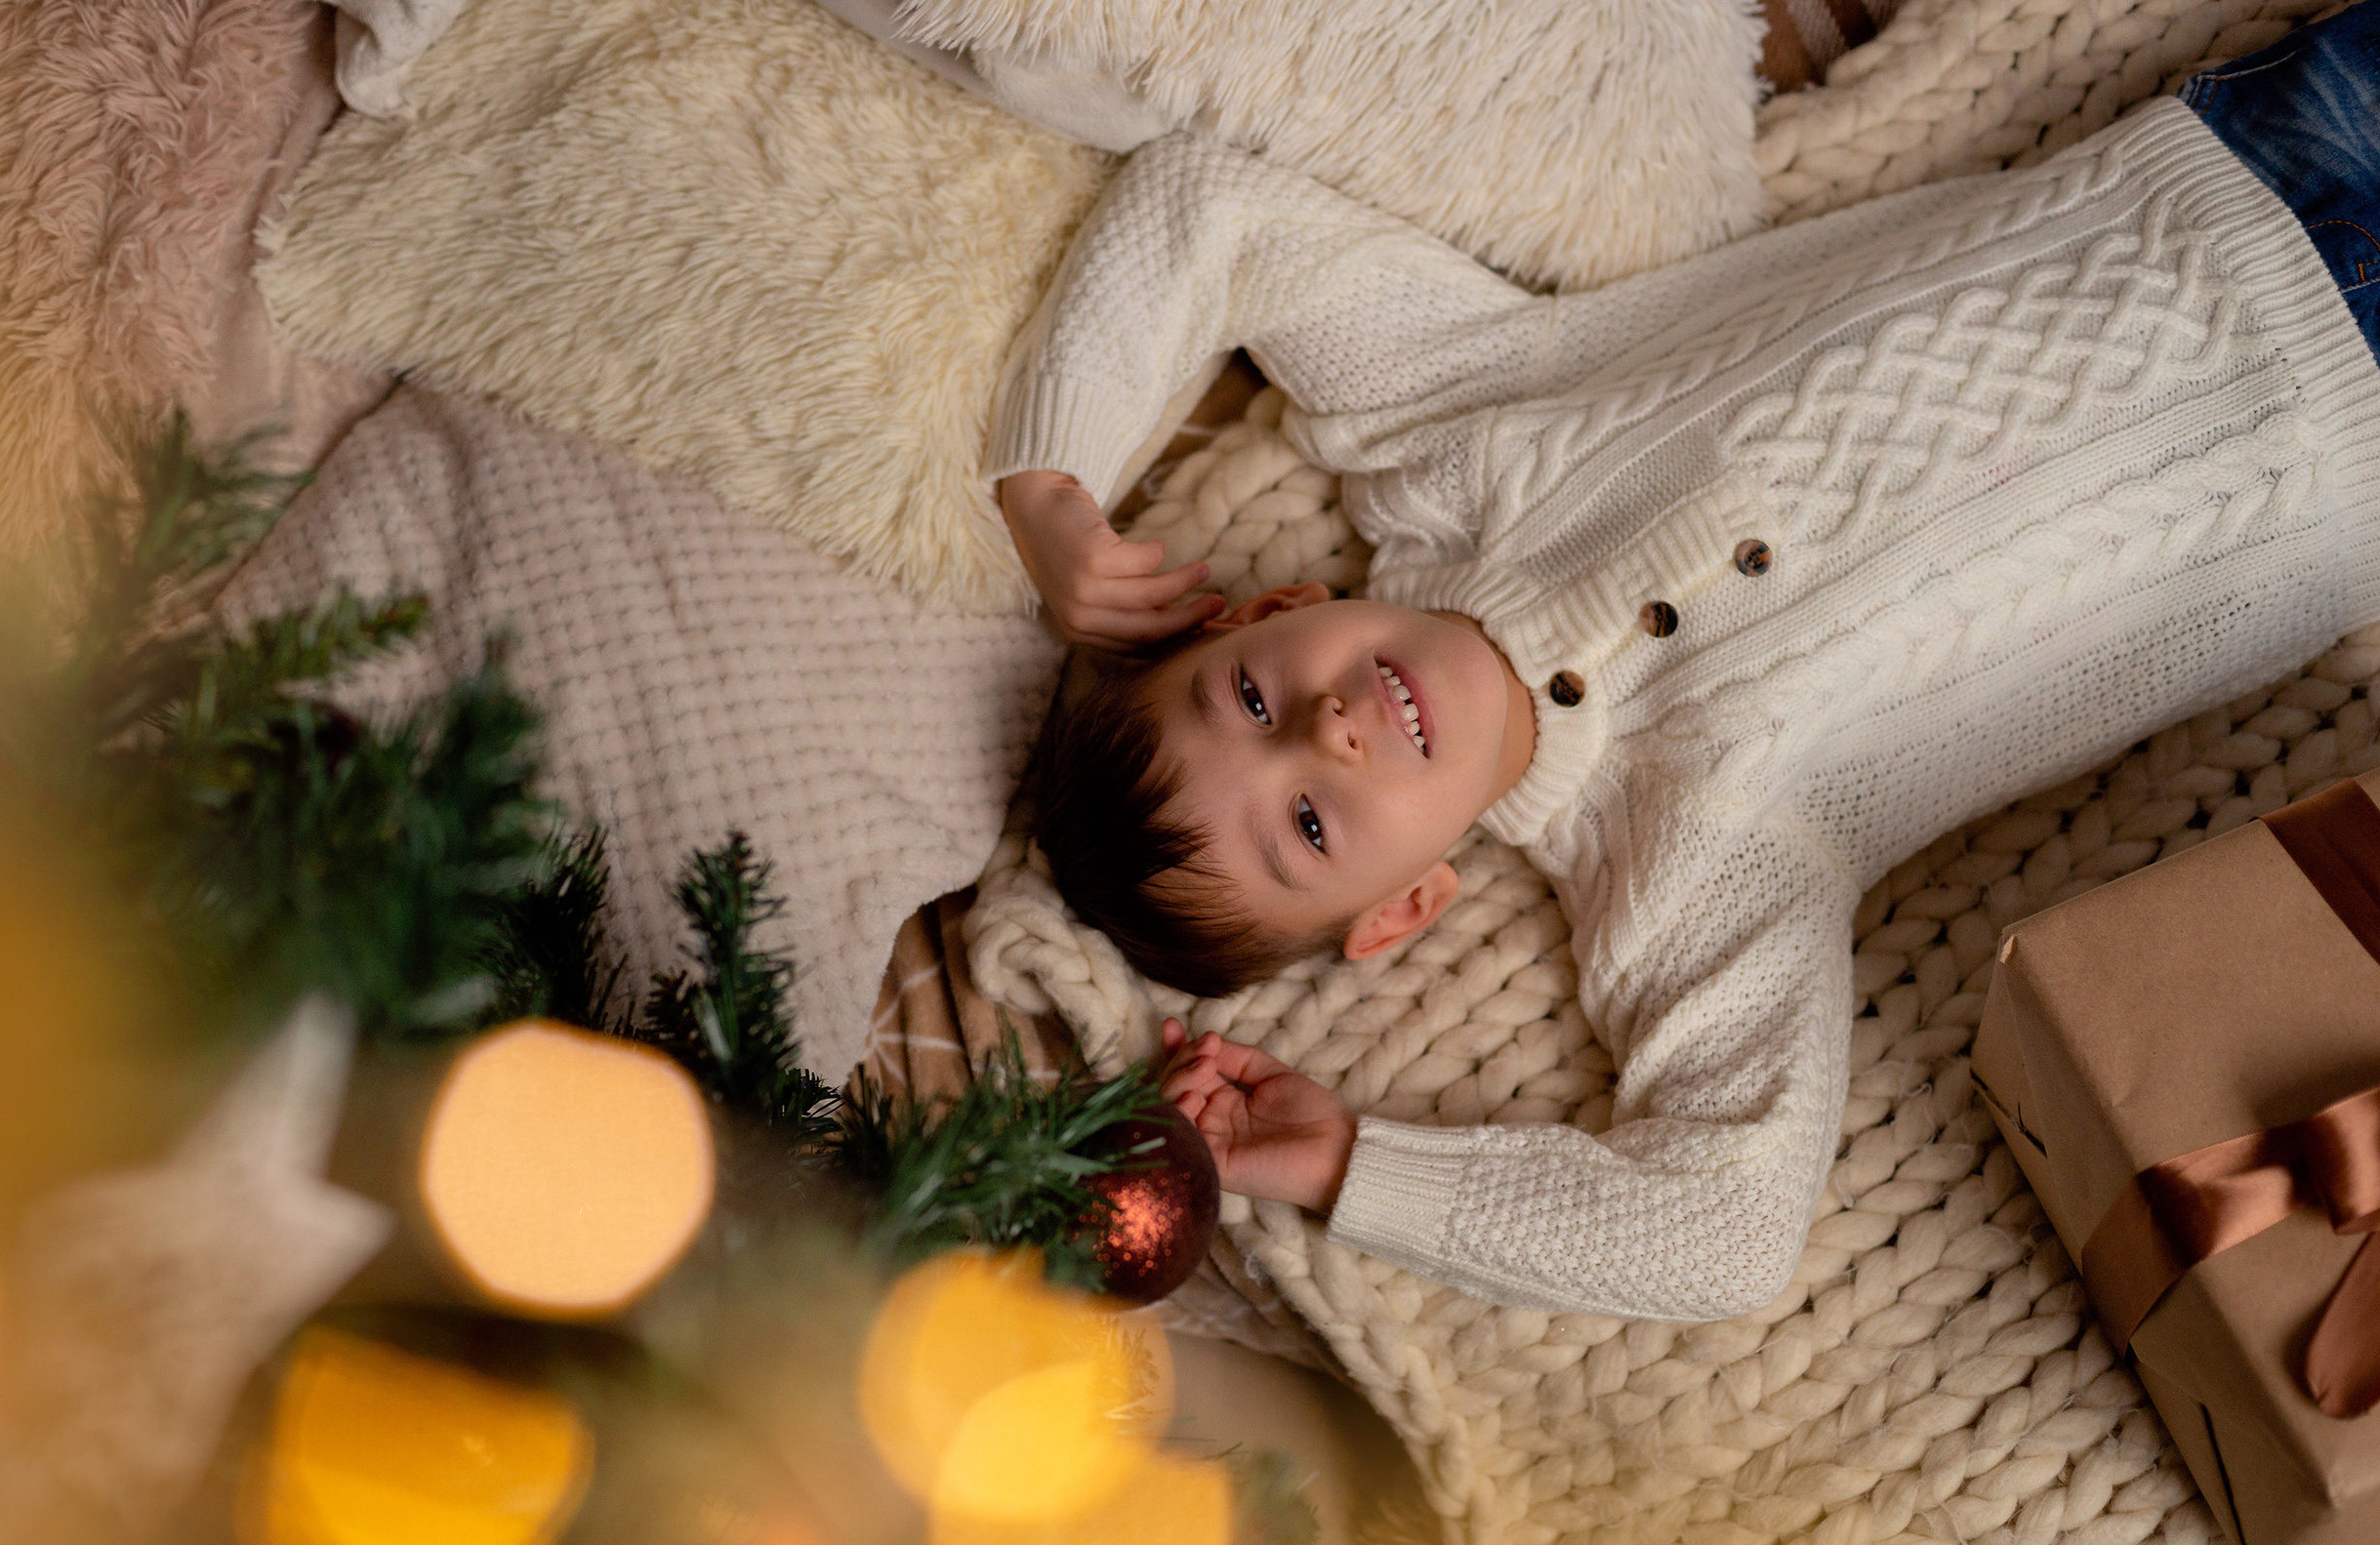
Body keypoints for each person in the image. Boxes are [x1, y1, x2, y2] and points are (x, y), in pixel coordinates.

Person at [989, 8, 2380, 1320]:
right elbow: (1722, 1231)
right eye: (1306, 822)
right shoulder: (1690, 872)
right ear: (1405, 909)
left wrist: (1051, 481)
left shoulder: (1446, 426)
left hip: (2257, 172)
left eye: (1250, 696)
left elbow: (1211, 209)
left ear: (1266, 608)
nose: (1329, 727)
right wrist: (1353, 1164)